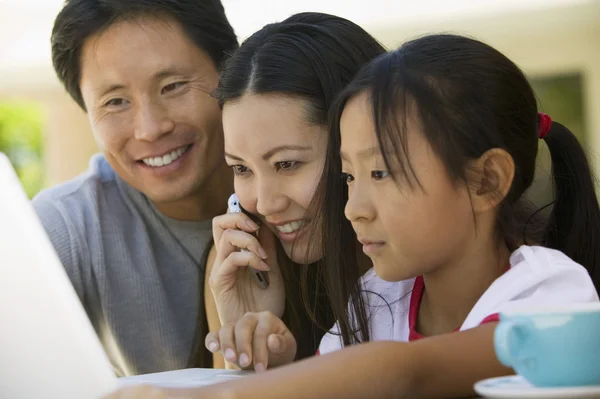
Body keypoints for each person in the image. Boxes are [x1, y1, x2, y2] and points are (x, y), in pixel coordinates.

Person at [106, 33, 600, 398]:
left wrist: (224, 395)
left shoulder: (550, 296)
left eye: (381, 173)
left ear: (487, 180)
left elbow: (408, 373)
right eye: (348, 178)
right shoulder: (375, 301)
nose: (353, 208)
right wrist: (264, 368)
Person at [33, 0, 237, 376]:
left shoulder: (311, 187)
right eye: (115, 102)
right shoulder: (65, 228)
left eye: (173, 86)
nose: (149, 128)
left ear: (230, 71)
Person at [202, 12, 385, 369]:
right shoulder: (237, 267)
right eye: (241, 168)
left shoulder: (437, 262)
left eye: (287, 164)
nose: (265, 204)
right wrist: (248, 342)